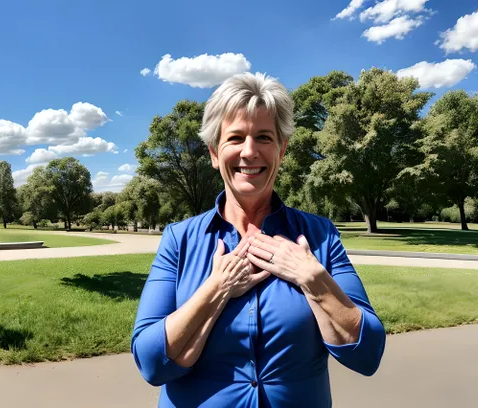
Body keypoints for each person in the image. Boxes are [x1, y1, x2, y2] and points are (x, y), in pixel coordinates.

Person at [131, 72, 386, 408]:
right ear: (213, 152)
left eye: (264, 137)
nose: (249, 152)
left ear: (282, 149)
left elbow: (367, 355)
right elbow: (151, 362)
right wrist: (217, 288)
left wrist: (312, 279)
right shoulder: (180, 239)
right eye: (235, 138)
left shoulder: (320, 236)